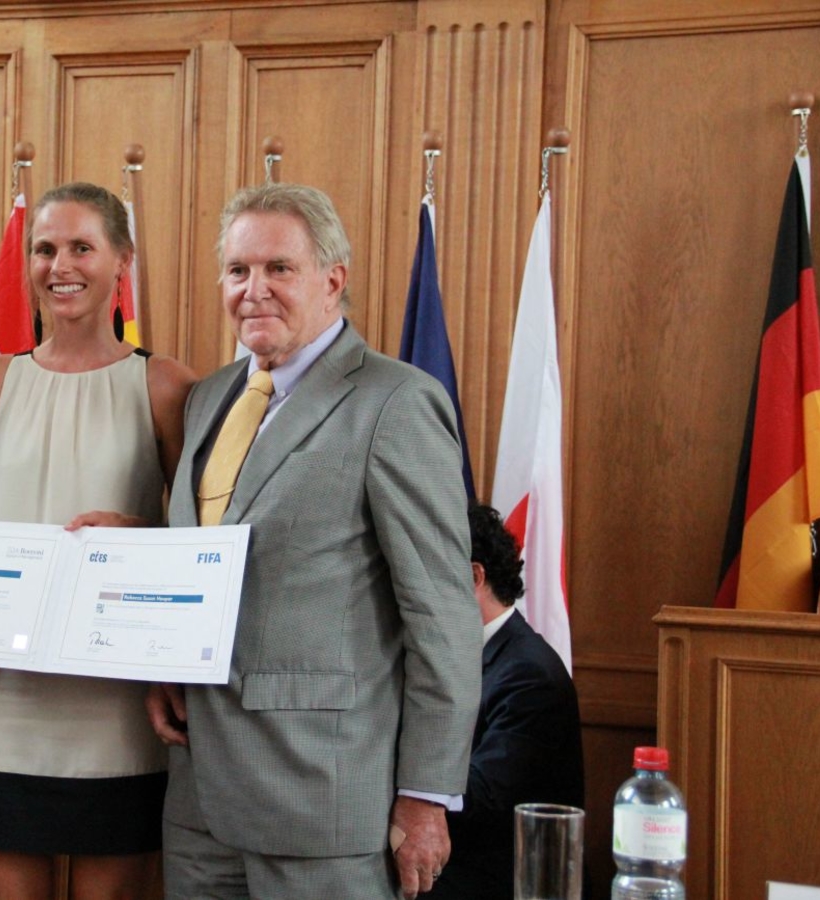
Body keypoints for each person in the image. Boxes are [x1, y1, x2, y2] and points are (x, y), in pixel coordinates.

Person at [146, 182, 483, 900]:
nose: (254, 290)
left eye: (279, 268)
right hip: (199, 799)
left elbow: (443, 617)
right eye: (238, 270)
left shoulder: (396, 403)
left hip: (323, 804)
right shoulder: (208, 399)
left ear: (333, 280)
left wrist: (426, 795)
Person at [0, 182, 196, 900]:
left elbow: (203, 542)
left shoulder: (166, 385)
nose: (61, 266)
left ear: (122, 260)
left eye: (82, 247)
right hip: (2, 695)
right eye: (45, 249)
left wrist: (136, 534)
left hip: (116, 700)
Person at [428, 503, 585, 900]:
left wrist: (392, 768)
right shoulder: (456, 657)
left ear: (473, 576)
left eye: (430, 574)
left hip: (498, 881)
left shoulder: (529, 675)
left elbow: (484, 799)